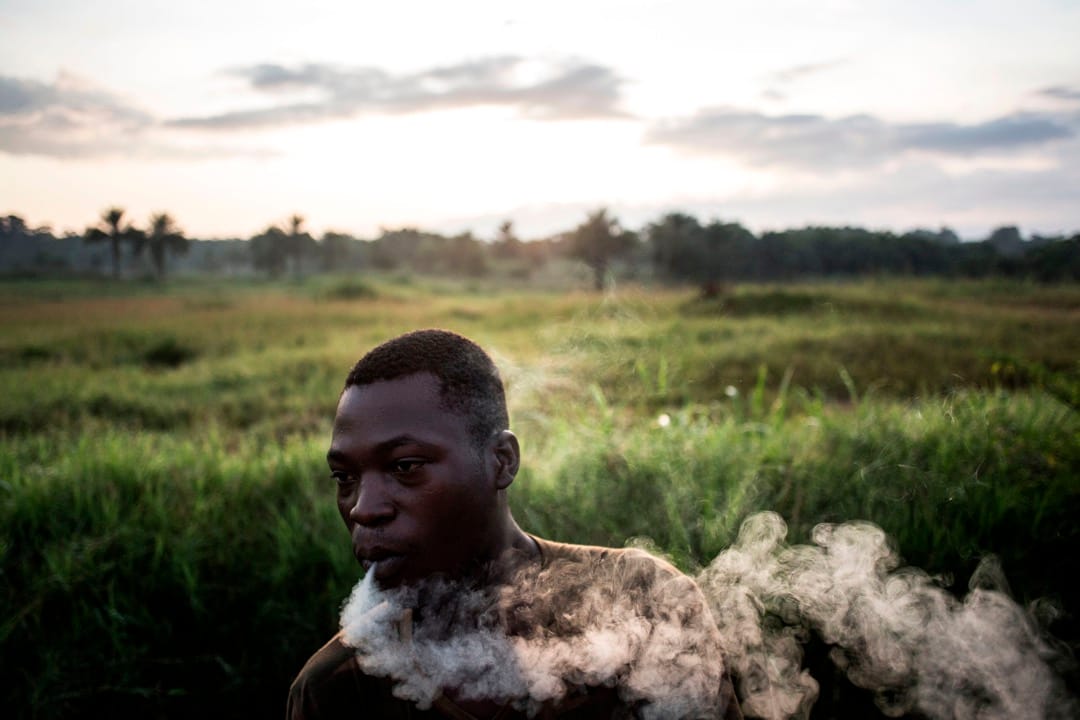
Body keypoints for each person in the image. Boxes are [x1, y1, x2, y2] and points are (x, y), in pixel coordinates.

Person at [287, 329, 741, 720]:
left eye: (405, 467)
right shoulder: (339, 689)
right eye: (344, 478)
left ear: (500, 462)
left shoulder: (644, 604)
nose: (363, 508)